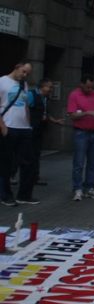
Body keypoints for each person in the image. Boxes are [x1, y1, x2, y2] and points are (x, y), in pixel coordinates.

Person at [0, 62, 37, 206]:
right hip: (8, 126)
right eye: (23, 71)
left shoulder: (24, 85)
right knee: (6, 164)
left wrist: (28, 125)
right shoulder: (2, 81)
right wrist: (2, 126)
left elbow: (25, 105)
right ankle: (5, 195)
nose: (25, 75)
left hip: (23, 128)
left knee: (29, 163)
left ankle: (24, 195)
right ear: (16, 68)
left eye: (27, 73)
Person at [67, 74, 94, 202]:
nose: (90, 90)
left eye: (91, 87)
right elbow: (72, 115)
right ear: (81, 84)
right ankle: (77, 188)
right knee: (79, 162)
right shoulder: (74, 95)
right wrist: (87, 113)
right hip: (81, 132)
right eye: (87, 87)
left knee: (93, 162)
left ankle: (90, 187)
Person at [28, 78, 64, 187]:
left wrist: (55, 121)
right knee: (27, 154)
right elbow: (24, 110)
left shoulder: (45, 98)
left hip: (39, 129)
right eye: (49, 87)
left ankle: (34, 177)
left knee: (36, 153)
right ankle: (15, 176)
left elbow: (45, 114)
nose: (51, 89)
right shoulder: (31, 95)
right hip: (30, 130)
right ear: (42, 86)